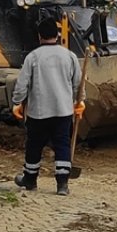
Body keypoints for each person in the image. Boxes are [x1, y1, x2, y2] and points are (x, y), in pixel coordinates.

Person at [12, 18, 85, 196]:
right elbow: (78, 84)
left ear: (39, 36)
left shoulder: (33, 57)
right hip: (63, 111)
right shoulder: (70, 56)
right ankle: (62, 184)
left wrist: (17, 102)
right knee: (62, 144)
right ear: (58, 34)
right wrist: (80, 101)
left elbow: (22, 85)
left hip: (39, 112)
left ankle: (30, 179)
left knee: (34, 145)